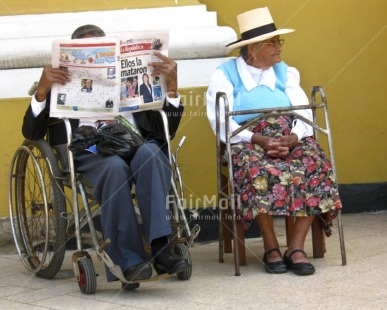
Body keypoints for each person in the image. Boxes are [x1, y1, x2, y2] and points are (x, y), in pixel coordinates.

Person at [22, 24, 189, 289]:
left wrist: (172, 88)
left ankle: (161, 247)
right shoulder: (58, 81)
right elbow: (31, 132)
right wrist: (41, 91)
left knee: (152, 152)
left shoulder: (134, 81)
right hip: (88, 149)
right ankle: (129, 260)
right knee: (113, 166)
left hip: (133, 142)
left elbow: (164, 131)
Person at [206, 7, 342, 276]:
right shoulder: (225, 74)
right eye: (273, 43)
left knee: (315, 162)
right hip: (246, 139)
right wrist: (258, 139)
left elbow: (303, 111)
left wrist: (293, 137)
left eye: (280, 41)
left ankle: (295, 248)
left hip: (288, 135)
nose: (280, 48)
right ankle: (270, 247)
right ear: (253, 48)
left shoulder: (286, 72)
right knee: (257, 169)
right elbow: (220, 120)